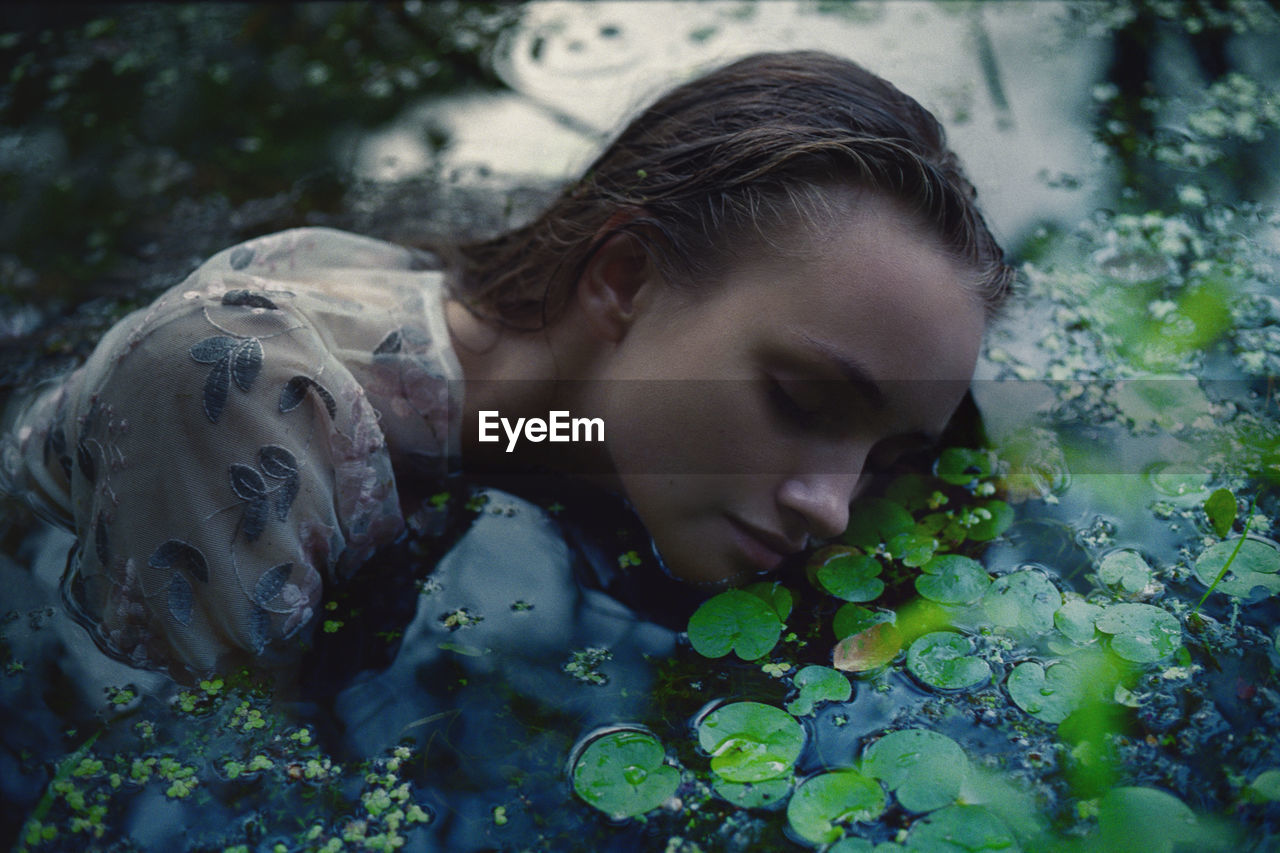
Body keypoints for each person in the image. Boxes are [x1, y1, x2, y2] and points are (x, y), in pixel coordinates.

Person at [0, 50, 1013, 680]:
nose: (832, 509)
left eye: (879, 455)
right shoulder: (240, 400)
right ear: (621, 275)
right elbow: (216, 765)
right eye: (799, 398)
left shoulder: (585, 382)